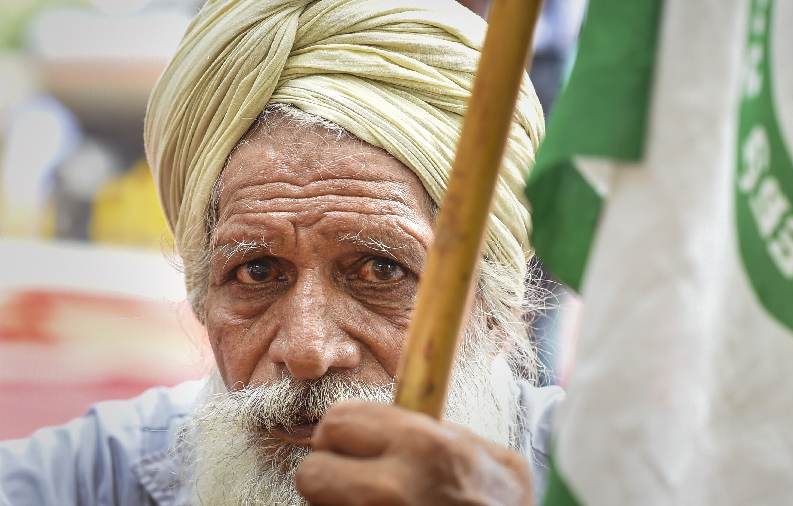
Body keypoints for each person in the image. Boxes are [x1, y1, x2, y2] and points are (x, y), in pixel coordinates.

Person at [0, 1, 562, 504]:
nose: (307, 352)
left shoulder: (604, 476)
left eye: (380, 271)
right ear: (203, 300)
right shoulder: (101, 476)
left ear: (498, 308)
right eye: (258, 271)